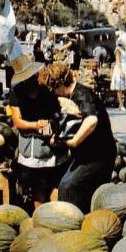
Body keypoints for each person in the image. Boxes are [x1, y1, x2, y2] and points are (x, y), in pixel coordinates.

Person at [48, 63, 117, 212]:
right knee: (65, 185)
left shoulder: (83, 94)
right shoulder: (73, 95)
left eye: (54, 89)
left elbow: (91, 120)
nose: (54, 93)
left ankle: (74, 225)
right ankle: (73, 223)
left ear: (59, 84)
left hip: (100, 155)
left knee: (70, 187)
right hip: (88, 154)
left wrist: (74, 142)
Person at [8, 55, 70, 209]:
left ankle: (55, 215)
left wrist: (50, 125)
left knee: (53, 183)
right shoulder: (16, 92)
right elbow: (18, 122)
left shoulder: (45, 90)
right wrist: (36, 125)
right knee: (37, 187)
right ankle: (42, 219)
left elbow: (57, 114)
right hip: (29, 148)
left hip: (49, 145)